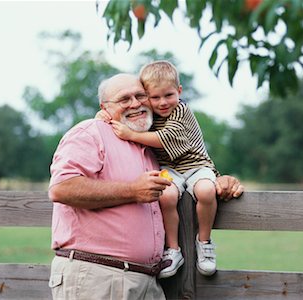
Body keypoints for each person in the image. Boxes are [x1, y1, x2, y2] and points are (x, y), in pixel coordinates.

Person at [48, 73, 244, 300]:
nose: (135, 103)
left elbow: (190, 166)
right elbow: (62, 188)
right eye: (124, 99)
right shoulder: (90, 132)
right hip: (98, 276)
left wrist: (218, 180)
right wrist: (132, 190)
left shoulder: (149, 145)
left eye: (141, 96)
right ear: (104, 107)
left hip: (147, 281)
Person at [97, 61, 238, 278]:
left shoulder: (181, 111)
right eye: (155, 97)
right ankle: (173, 249)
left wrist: (130, 135)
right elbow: (129, 119)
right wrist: (104, 116)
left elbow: (164, 138)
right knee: (166, 195)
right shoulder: (149, 114)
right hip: (169, 168)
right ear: (147, 97)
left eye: (168, 95)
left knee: (206, 192)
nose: (162, 102)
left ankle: (205, 242)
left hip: (197, 166)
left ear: (179, 92)